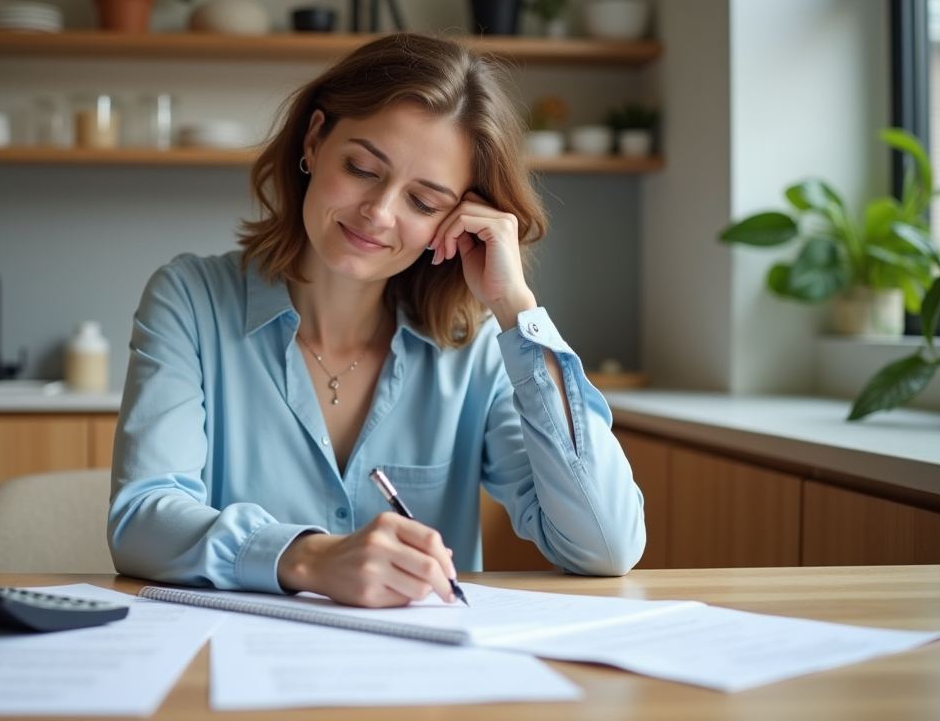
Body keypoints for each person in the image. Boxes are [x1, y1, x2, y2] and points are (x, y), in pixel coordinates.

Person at [108, 32, 645, 608]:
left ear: (457, 219)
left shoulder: (476, 348)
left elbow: (606, 546)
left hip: (420, 683)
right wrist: (310, 557)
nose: (379, 213)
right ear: (314, 141)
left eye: (424, 202)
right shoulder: (189, 300)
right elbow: (142, 519)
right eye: (363, 168)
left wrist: (516, 308)